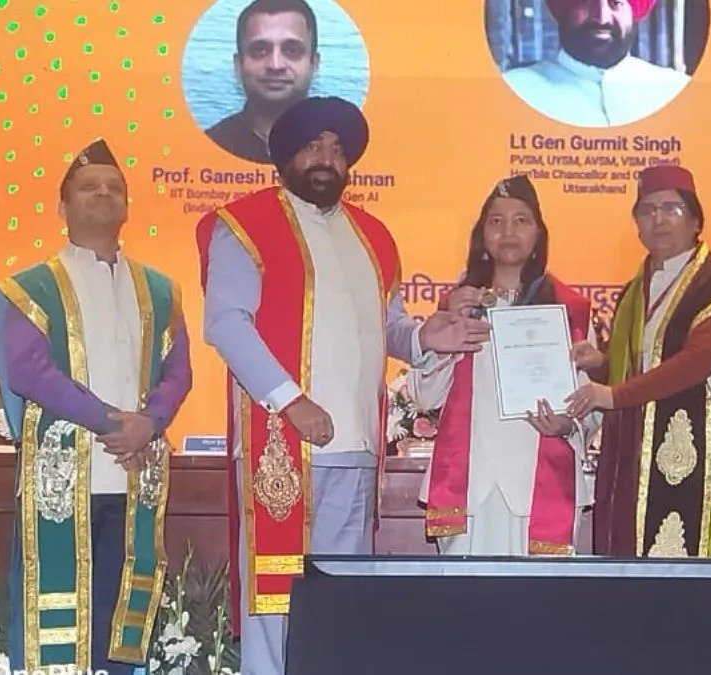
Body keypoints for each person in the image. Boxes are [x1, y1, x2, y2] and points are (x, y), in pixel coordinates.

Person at [196, 96, 491, 674]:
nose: (326, 159)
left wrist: (427, 336)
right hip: (283, 444)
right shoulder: (245, 224)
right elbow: (225, 324)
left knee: (339, 601)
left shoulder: (373, 236)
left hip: (357, 449)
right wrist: (291, 401)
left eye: (337, 149)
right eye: (312, 146)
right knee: (276, 598)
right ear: (285, 157)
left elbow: (389, 328)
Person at [0, 139, 192, 674]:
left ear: (127, 205)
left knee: (120, 627)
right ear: (62, 207)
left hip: (135, 479)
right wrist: (114, 424)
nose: (103, 194)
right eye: (88, 187)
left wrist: (150, 423)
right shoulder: (25, 289)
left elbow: (178, 372)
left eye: (114, 187)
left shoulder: (161, 290)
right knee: (55, 629)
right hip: (62, 482)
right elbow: (30, 372)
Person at [565, 165, 711, 557]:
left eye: (671, 208)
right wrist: (601, 364)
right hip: (639, 458)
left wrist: (612, 395)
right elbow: (645, 367)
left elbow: (696, 362)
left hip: (705, 454)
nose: (658, 219)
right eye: (647, 210)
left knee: (700, 580)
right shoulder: (635, 290)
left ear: (695, 220)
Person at [410, 175, 600, 555]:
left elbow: (591, 407)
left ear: (538, 234)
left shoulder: (569, 310)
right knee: (467, 592)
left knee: (537, 594)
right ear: (482, 235)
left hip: (542, 481)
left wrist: (567, 425)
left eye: (521, 220)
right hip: (470, 483)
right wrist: (450, 331)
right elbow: (425, 396)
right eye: (496, 221)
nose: (508, 232)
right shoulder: (459, 304)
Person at [502, 0, 690, 127]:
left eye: (616, 3)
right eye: (587, 2)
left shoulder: (679, 92)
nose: (602, 18)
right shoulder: (512, 91)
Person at [206, 0, 320, 163]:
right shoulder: (207, 146)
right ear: (238, 65)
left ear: (314, 64)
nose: (275, 65)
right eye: (260, 50)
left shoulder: (344, 146)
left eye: (291, 50)